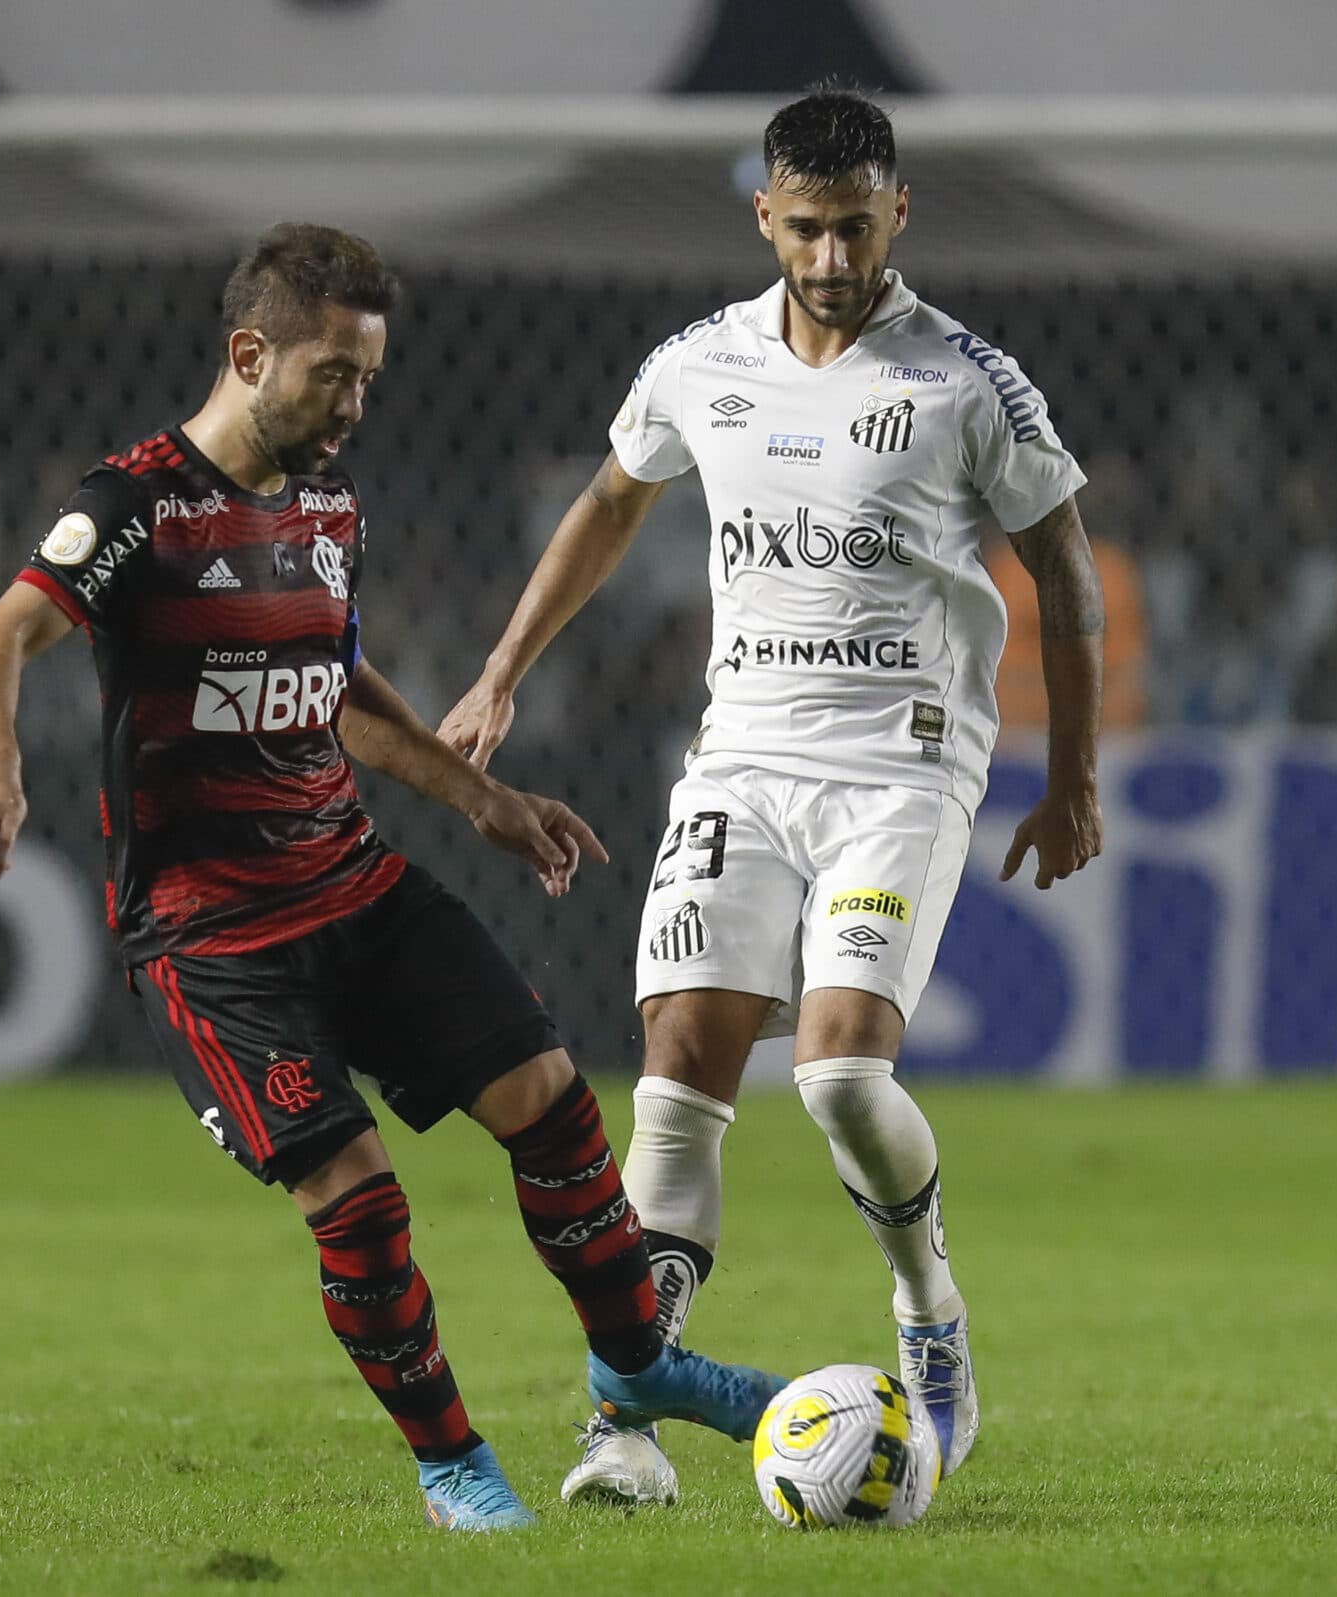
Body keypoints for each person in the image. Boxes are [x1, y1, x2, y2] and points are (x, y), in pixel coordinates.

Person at [0, 224, 783, 1532]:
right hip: (213, 941)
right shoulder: (137, 505)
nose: (353, 406)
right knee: (361, 1203)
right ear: (249, 355)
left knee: (555, 1104)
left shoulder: (329, 509)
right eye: (332, 375)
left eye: (369, 379)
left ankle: (638, 1362)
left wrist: (483, 799)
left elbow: (334, 684)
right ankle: (455, 1467)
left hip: (356, 886)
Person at [440, 87, 1107, 1505]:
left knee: (841, 1073)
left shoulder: (968, 384)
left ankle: (928, 1307)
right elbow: (610, 502)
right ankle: (624, 1424)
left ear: (899, 212)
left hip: (903, 766)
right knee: (675, 1075)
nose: (830, 257)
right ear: (765, 216)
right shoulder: (701, 364)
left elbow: (1066, 565)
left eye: (855, 227)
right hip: (741, 760)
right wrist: (501, 673)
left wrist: (1074, 776)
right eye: (805, 227)